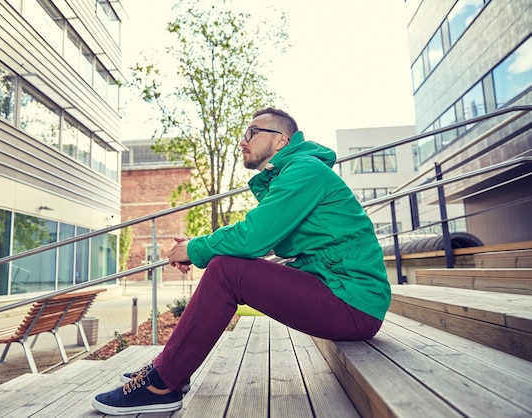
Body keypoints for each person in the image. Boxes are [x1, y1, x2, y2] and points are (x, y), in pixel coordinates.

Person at [92, 107, 391, 415]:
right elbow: (258, 241)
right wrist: (197, 248)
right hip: (339, 291)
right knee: (228, 266)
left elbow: (254, 238)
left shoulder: (305, 172)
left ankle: (162, 384)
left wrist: (196, 249)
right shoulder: (295, 173)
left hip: (353, 302)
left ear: (281, 140)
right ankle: (168, 370)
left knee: (226, 271)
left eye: (253, 132)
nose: (243, 140)